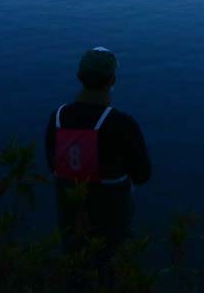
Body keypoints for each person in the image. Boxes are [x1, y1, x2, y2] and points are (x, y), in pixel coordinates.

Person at [45, 47, 151, 258]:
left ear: (78, 77)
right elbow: (142, 175)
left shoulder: (57, 118)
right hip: (112, 221)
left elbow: (52, 164)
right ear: (112, 80)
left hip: (70, 219)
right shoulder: (122, 124)